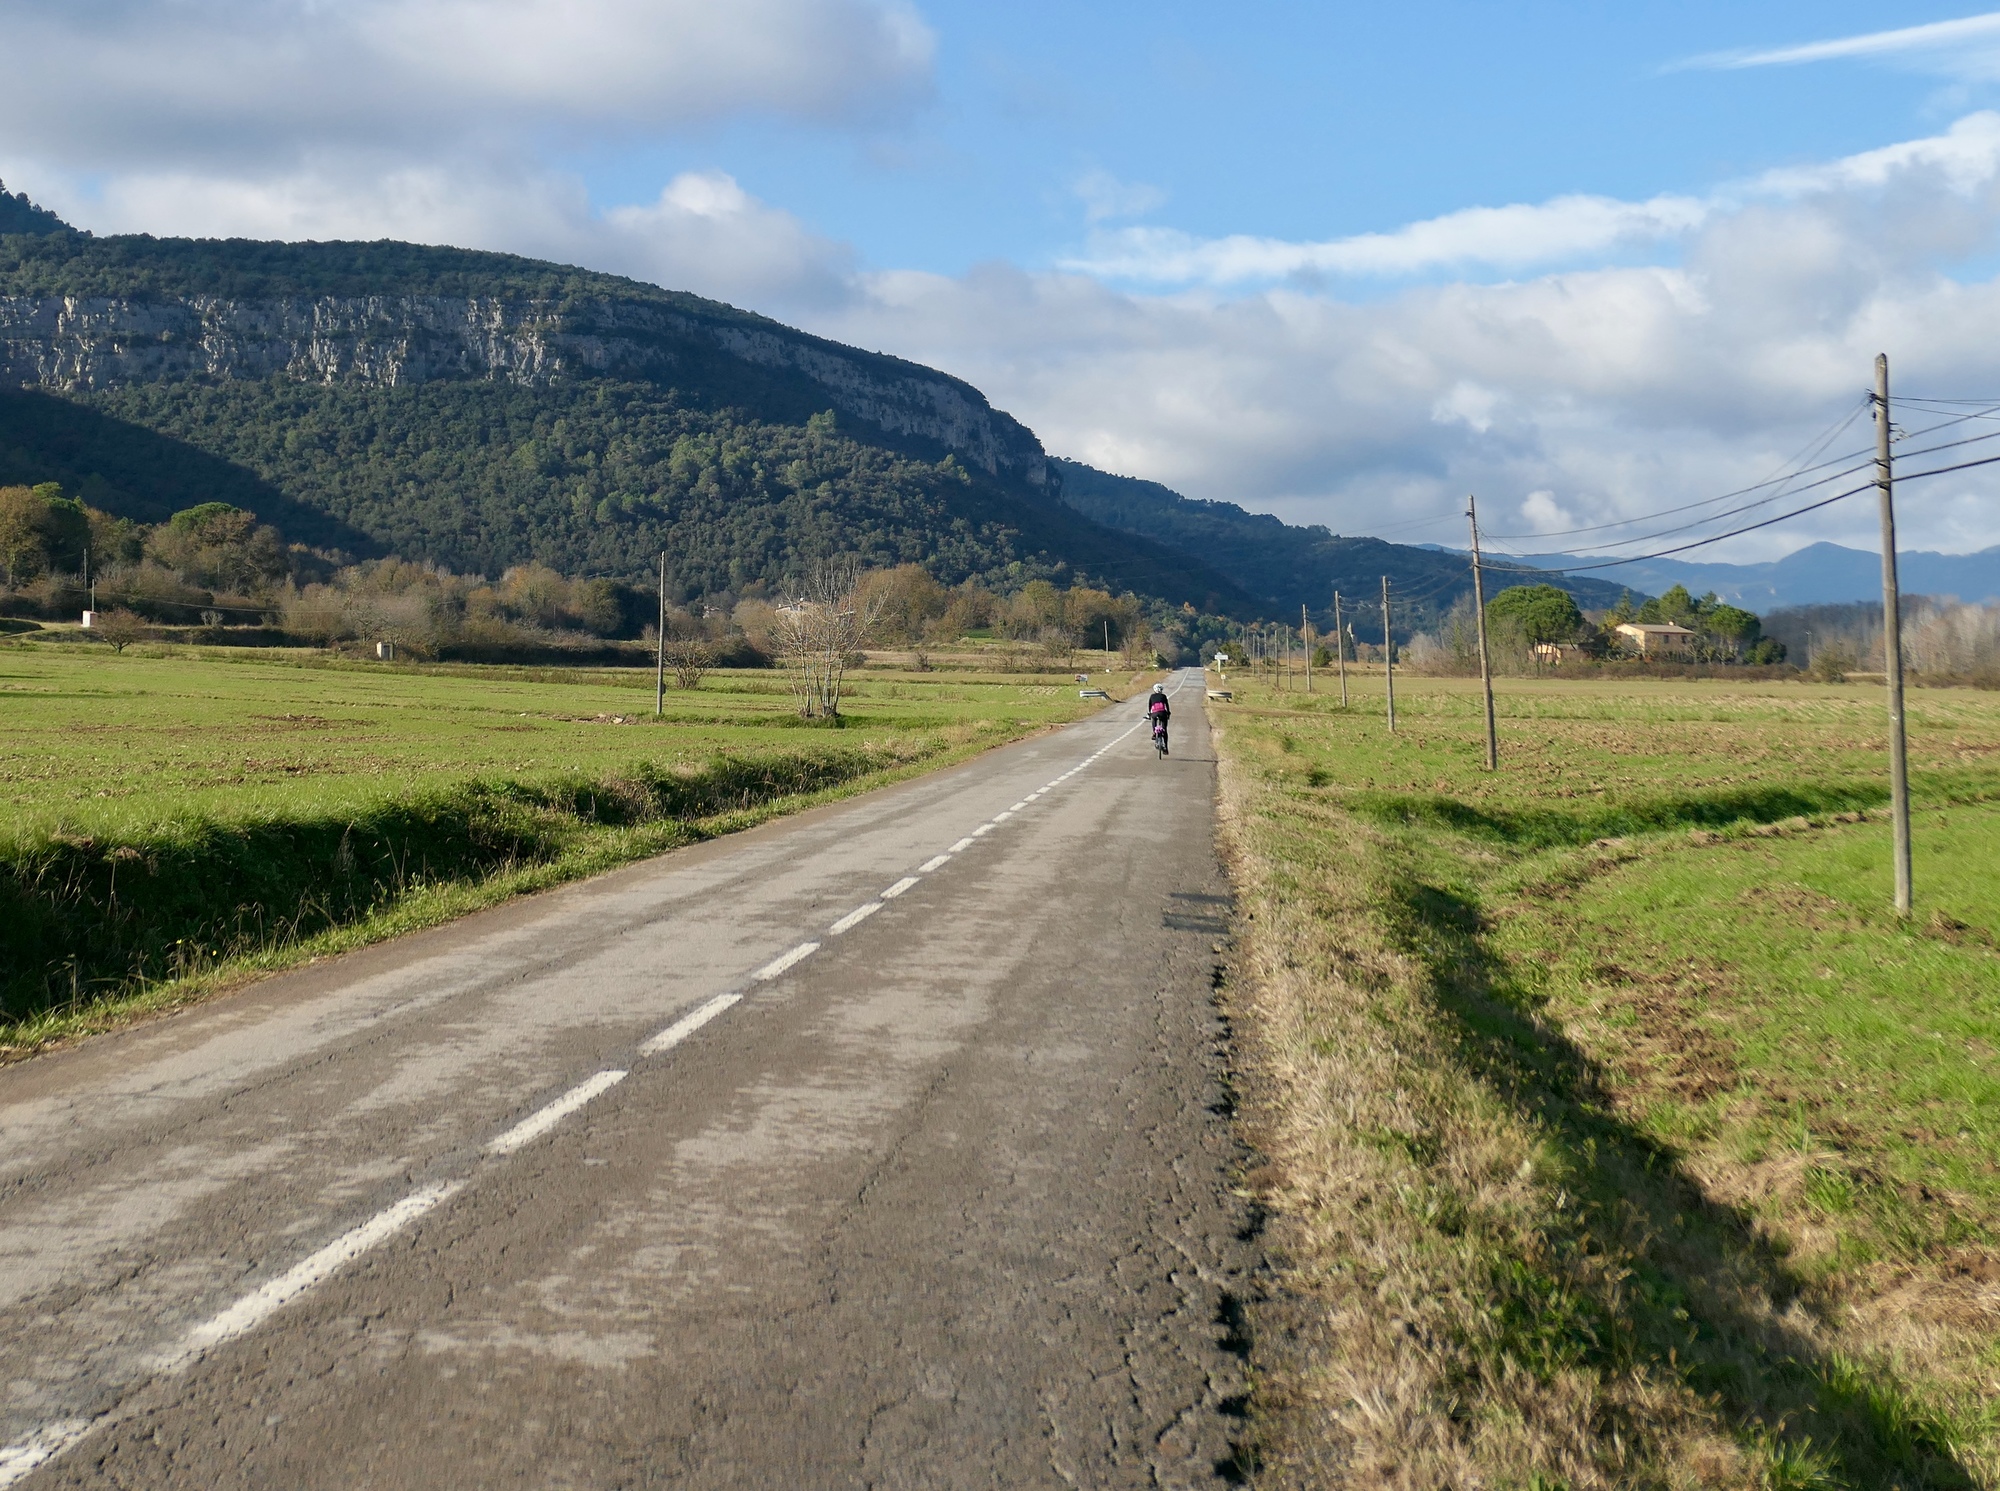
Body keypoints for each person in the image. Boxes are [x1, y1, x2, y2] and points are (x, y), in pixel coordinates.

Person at [1146, 683, 1170, 753]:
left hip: (1154, 713)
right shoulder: (1164, 696)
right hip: (1163, 713)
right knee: (1164, 730)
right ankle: (1165, 747)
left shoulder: (1152, 696)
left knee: (1154, 719)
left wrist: (1149, 714)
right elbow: (1167, 706)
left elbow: (1150, 706)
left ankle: (1154, 732)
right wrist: (1168, 713)